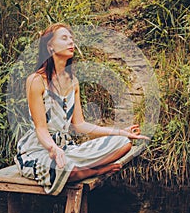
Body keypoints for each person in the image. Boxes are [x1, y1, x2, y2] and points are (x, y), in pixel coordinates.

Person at [14, 23, 150, 195]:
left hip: (67, 149)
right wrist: (52, 149)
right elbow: (40, 128)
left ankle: (79, 168)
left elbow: (80, 125)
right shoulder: (36, 80)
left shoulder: (73, 82)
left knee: (124, 144)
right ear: (50, 47)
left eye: (71, 38)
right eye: (64, 38)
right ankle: (96, 171)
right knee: (62, 169)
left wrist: (120, 132)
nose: (71, 42)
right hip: (40, 150)